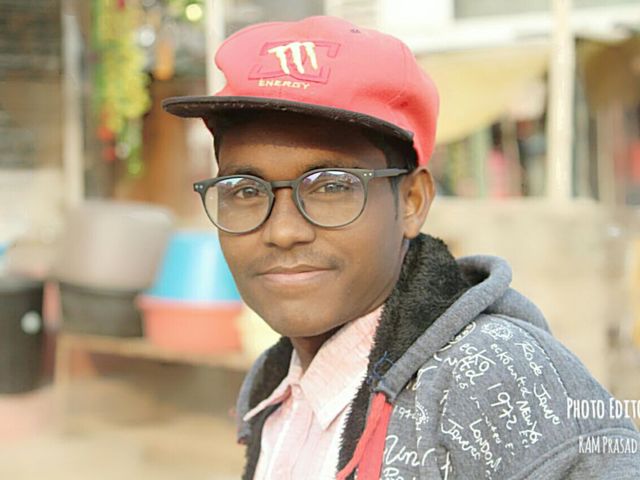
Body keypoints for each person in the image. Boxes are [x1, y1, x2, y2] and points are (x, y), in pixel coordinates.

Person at [163, 15, 640, 480]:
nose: (283, 231)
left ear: (412, 201)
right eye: (245, 190)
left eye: (332, 186)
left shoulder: (498, 381)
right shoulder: (277, 385)